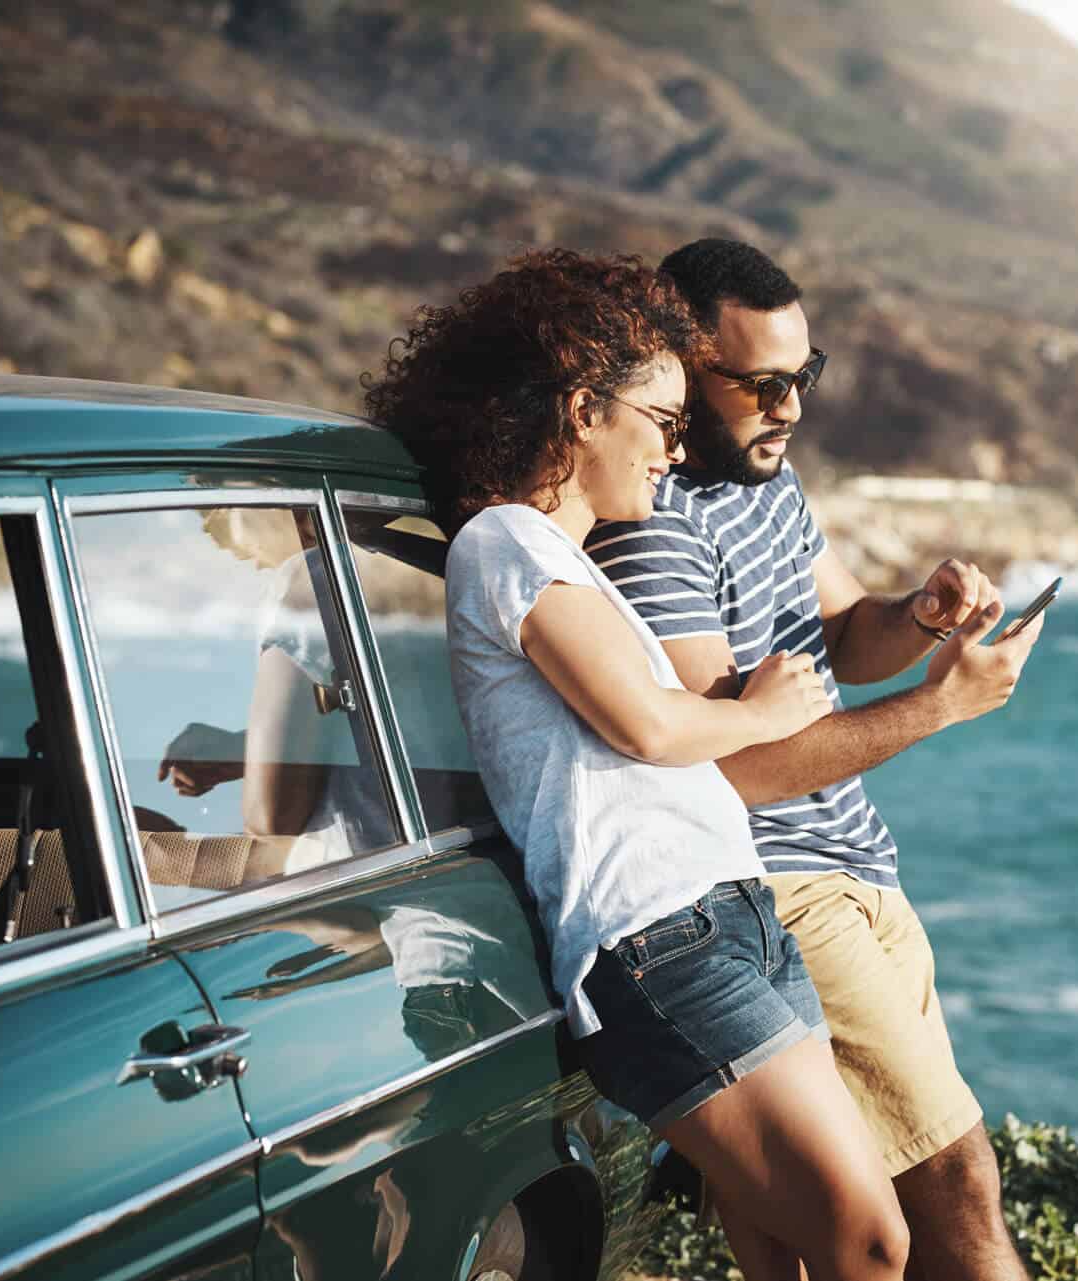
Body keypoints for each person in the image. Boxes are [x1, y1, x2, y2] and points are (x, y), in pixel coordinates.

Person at [364, 248, 910, 1281]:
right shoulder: (508, 543)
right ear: (582, 411)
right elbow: (650, 728)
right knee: (871, 1239)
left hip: (727, 913)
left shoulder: (563, 561)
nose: (673, 449)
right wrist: (760, 710)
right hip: (656, 939)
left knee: (788, 1250)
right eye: (661, 423)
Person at [589, 239, 1043, 1281]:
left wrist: (919, 618)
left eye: (805, 376)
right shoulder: (651, 531)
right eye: (760, 384)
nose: (790, 406)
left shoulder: (769, 484)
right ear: (677, 368)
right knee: (957, 1186)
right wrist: (937, 708)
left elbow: (841, 628)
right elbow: (731, 769)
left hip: (860, 868)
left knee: (845, 1220)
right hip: (782, 885)